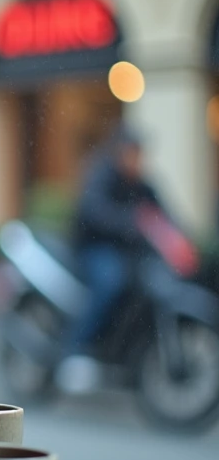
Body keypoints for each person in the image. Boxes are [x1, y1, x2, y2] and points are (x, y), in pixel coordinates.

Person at [57, 124, 163, 393]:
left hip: (127, 252)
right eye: (133, 153)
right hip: (94, 248)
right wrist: (130, 223)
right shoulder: (101, 174)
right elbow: (94, 211)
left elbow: (163, 214)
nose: (137, 159)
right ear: (120, 151)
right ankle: (76, 347)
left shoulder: (141, 183)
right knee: (111, 282)